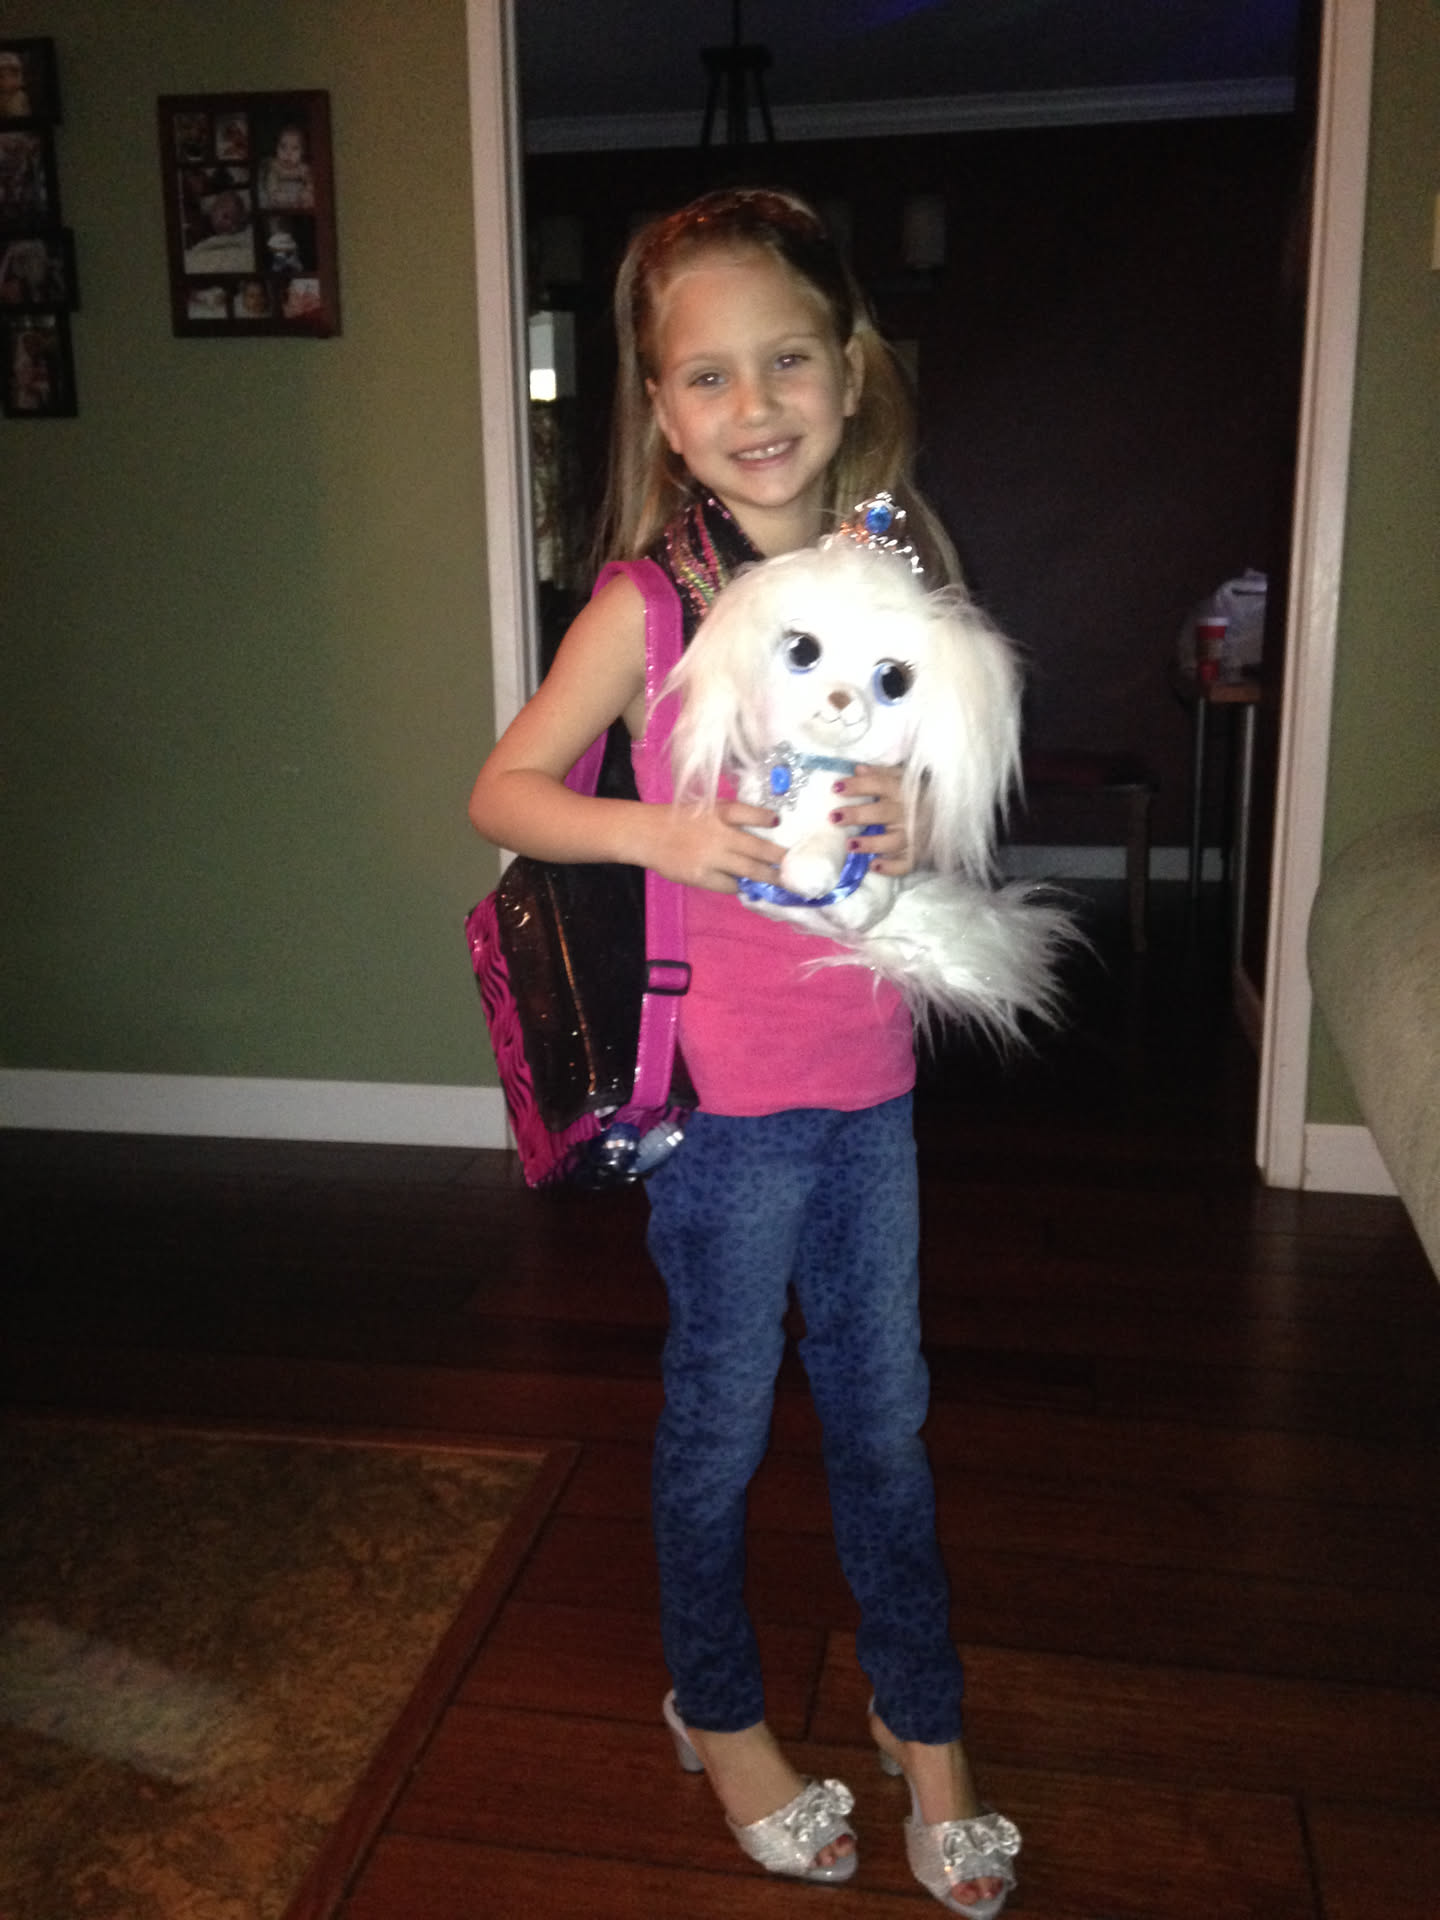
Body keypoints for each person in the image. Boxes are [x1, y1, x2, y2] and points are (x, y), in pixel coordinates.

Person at [469, 187, 1020, 1918]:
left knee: (886, 1424)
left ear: (850, 370)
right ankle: (714, 1710)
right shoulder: (648, 603)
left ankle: (926, 1722)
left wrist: (914, 822)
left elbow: (934, 810)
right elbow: (503, 792)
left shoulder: (898, 576)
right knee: (717, 1425)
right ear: (661, 408)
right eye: (707, 375)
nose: (754, 403)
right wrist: (663, 833)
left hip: (873, 1088)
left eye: (788, 359)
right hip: (720, 1110)